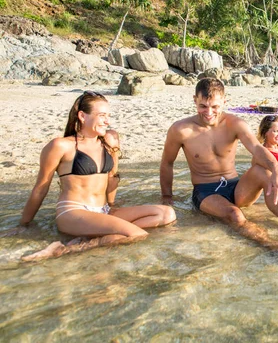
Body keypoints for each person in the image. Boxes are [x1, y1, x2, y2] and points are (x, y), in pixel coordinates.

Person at [20, 91, 176, 261]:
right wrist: (24, 224)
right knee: (137, 234)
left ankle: (101, 234)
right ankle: (66, 249)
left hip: (103, 211)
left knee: (167, 214)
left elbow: (112, 177)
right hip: (73, 211)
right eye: (102, 116)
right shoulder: (61, 146)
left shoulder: (108, 141)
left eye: (108, 116)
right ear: (82, 116)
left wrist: (111, 204)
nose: (107, 121)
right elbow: (41, 188)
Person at [160, 78, 278, 252]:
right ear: (195, 100)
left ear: (224, 102)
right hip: (206, 192)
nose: (209, 112)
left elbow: (257, 148)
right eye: (203, 106)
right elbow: (167, 163)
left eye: (215, 106)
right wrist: (167, 197)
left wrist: (277, 169)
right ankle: (273, 246)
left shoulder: (234, 124)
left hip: (236, 188)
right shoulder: (181, 129)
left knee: (263, 171)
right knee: (234, 214)